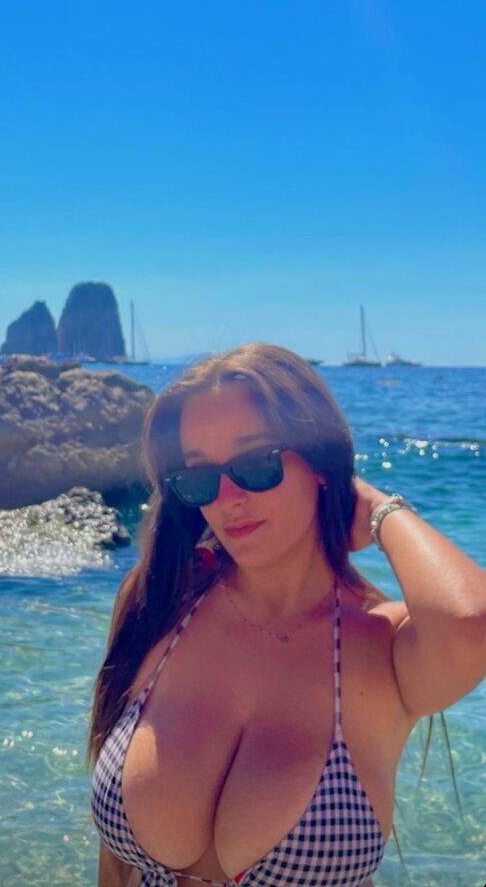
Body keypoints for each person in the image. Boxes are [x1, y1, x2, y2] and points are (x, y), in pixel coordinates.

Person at [89, 344, 486, 887]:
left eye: (257, 464)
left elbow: (470, 623)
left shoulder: (382, 644)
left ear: (319, 463)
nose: (227, 498)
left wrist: (380, 511)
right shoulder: (157, 601)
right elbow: (114, 867)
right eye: (199, 477)